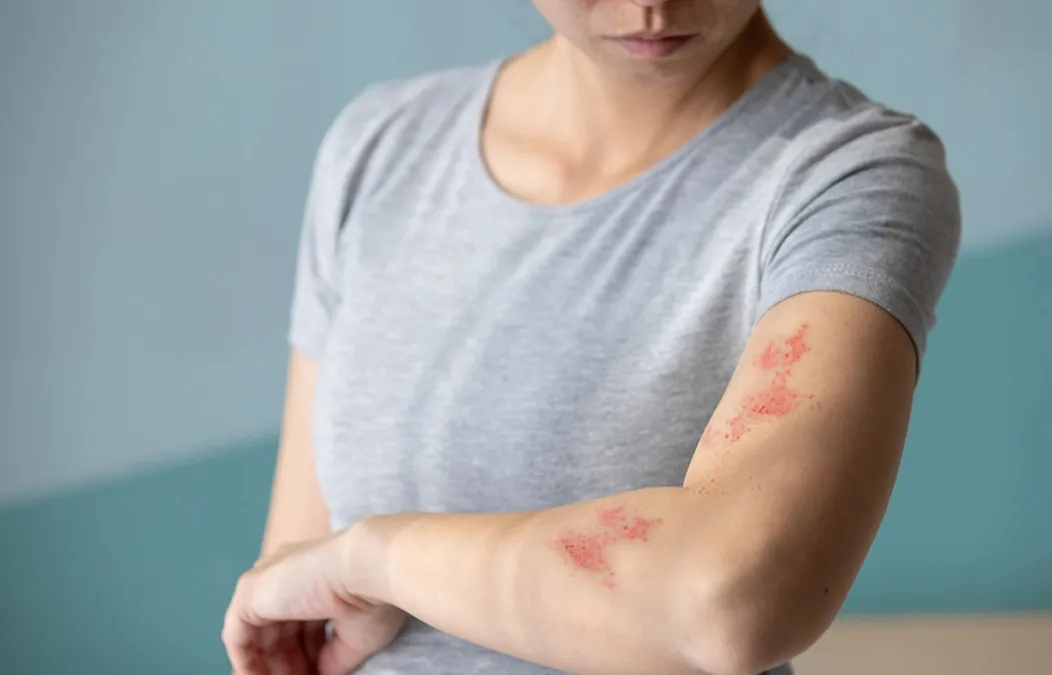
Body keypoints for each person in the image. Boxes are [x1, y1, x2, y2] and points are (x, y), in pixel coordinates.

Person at [221, 1, 961, 673]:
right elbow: (292, 593)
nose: (651, 7)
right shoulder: (380, 148)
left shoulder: (851, 176)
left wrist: (372, 560)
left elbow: (729, 600)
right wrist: (342, 567)